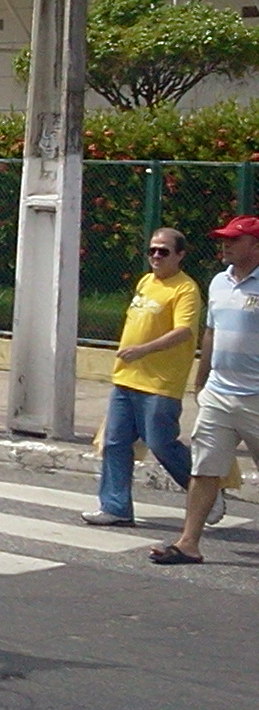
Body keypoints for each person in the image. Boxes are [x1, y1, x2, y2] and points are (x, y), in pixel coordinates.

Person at [148, 216, 259, 566]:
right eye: (223, 238)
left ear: (255, 245)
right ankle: (188, 543)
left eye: (234, 240)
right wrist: (202, 377)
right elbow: (210, 332)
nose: (224, 245)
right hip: (220, 394)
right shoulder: (218, 283)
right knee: (204, 469)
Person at [84, 228, 202, 526]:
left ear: (180, 255)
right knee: (115, 442)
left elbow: (184, 331)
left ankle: (205, 493)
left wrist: (143, 349)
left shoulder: (185, 289)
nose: (156, 257)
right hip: (127, 379)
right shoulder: (145, 282)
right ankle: (115, 507)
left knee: (161, 443)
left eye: (163, 251)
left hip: (160, 382)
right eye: (152, 251)